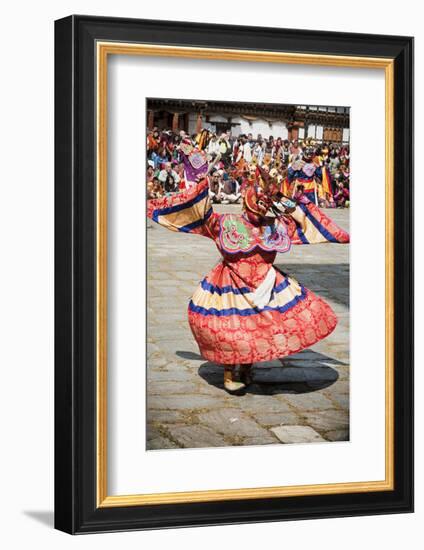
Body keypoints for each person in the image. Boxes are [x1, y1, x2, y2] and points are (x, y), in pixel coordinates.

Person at [147, 169, 349, 394]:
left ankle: (245, 368)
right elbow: (203, 218)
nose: (261, 209)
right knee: (230, 327)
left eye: (265, 205)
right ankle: (228, 371)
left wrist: (285, 200)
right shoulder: (226, 223)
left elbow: (302, 221)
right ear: (246, 205)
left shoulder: (276, 226)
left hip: (265, 285)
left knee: (258, 328)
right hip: (230, 283)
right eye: (257, 205)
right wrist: (201, 187)